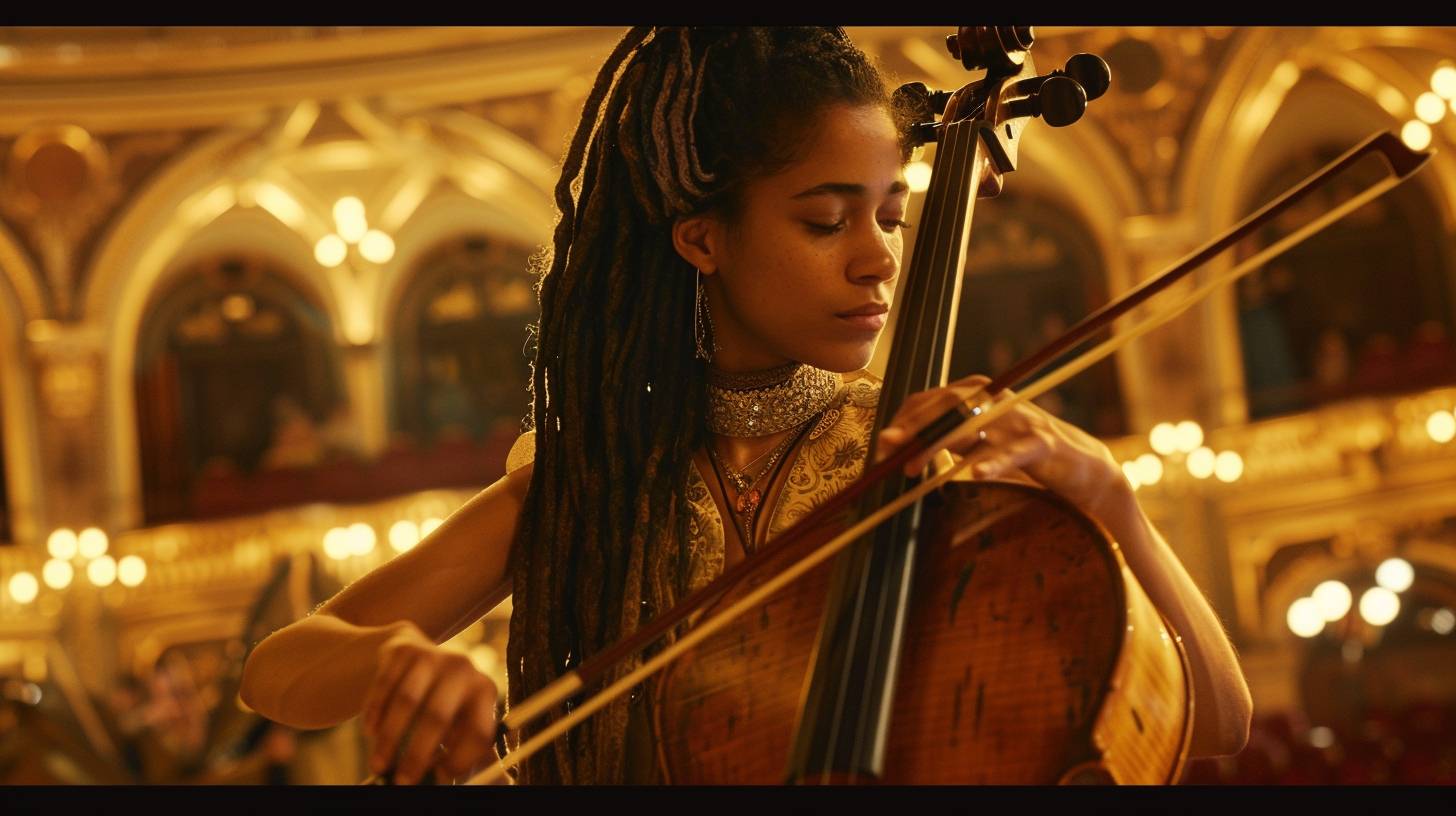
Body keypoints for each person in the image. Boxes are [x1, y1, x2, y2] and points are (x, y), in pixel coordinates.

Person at [240, 26, 1252, 785]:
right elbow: (282, 670)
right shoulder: (591, 487)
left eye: (893, 215)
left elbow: (1213, 723)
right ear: (701, 239)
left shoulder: (933, 461)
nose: (878, 258)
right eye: (824, 220)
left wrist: (1113, 499)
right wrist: (402, 657)